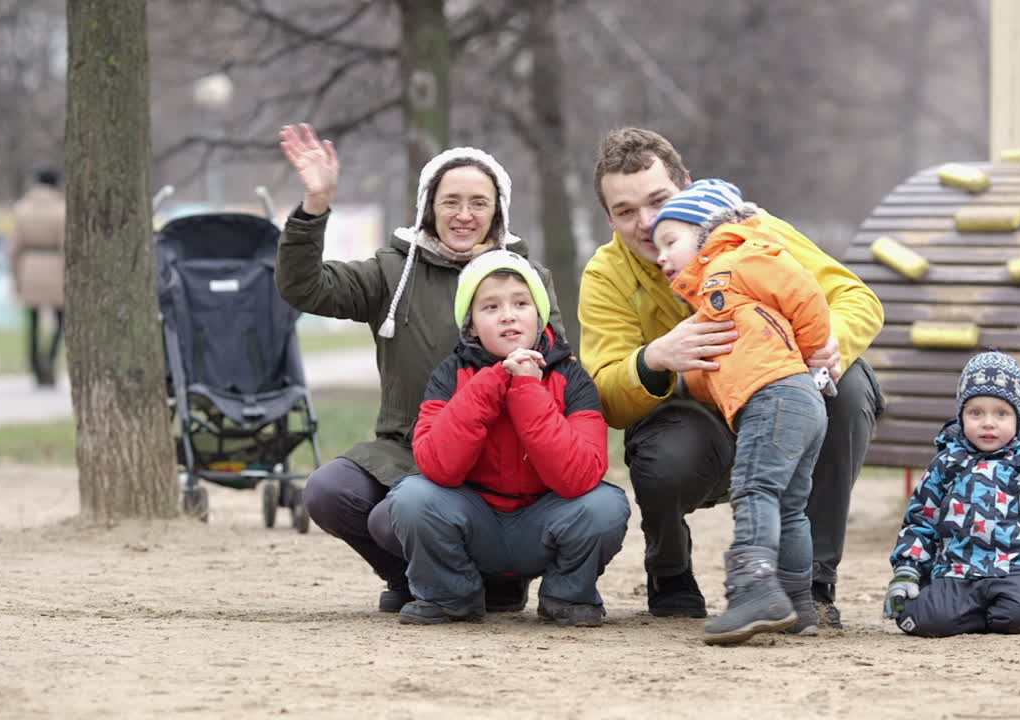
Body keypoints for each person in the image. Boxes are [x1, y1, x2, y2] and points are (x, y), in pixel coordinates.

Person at [579, 127, 885, 625]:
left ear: (687, 186)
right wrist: (654, 359)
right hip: (693, 420)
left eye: (659, 200)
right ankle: (670, 568)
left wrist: (827, 345)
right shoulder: (606, 273)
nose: (647, 222)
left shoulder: (748, 233)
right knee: (662, 456)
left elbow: (856, 298)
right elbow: (608, 394)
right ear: (608, 217)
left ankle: (810, 583)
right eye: (626, 211)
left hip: (777, 397)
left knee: (848, 388)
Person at [275, 124, 566, 614]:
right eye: (451, 201)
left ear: (498, 211)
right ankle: (413, 577)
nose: (464, 214)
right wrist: (315, 205)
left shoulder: (526, 278)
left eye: (479, 202)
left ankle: (496, 580)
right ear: (429, 206)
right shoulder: (392, 271)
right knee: (330, 492)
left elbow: (556, 357)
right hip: (407, 448)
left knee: (395, 517)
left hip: (497, 455)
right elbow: (304, 288)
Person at [383, 249, 629, 627]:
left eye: (520, 303)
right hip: (474, 523)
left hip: (543, 524)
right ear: (471, 326)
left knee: (605, 504)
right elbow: (437, 466)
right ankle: (452, 596)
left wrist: (527, 388)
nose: (508, 315)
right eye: (491, 307)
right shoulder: (449, 376)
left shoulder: (573, 378)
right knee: (411, 496)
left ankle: (567, 595)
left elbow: (580, 476)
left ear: (539, 315)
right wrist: (494, 382)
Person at [648, 179, 832, 643]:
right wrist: (678, 380)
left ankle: (753, 588)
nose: (662, 257)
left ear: (705, 232)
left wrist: (812, 351)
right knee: (790, 507)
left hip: (777, 395)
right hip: (794, 400)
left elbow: (806, 293)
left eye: (670, 242)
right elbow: (715, 370)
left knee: (754, 490)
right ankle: (797, 604)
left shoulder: (737, 258)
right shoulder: (720, 298)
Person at [883, 351, 1020, 637]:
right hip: (957, 571)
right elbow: (922, 520)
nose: (988, 423)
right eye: (975, 413)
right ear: (961, 415)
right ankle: (975, 614)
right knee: (923, 620)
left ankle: (1004, 612)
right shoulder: (947, 463)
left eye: (1001, 413)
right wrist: (908, 570)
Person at [9, 168, 66, 388]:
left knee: (32, 320)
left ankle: (34, 364)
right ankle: (49, 359)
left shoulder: (21, 209)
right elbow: (65, 244)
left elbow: (14, 247)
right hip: (55, 265)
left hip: (29, 265)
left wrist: (16, 276)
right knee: (60, 320)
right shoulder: (62, 210)